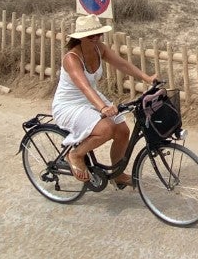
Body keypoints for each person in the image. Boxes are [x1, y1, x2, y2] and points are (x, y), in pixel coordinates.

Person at [52, 14, 157, 186]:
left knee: (123, 131)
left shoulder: (99, 48)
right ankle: (75, 155)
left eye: (98, 34)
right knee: (106, 128)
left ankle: (117, 173)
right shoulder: (71, 58)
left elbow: (121, 64)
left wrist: (147, 78)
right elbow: (84, 87)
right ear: (81, 38)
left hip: (91, 98)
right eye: (91, 36)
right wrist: (102, 108)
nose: (96, 38)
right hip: (69, 105)